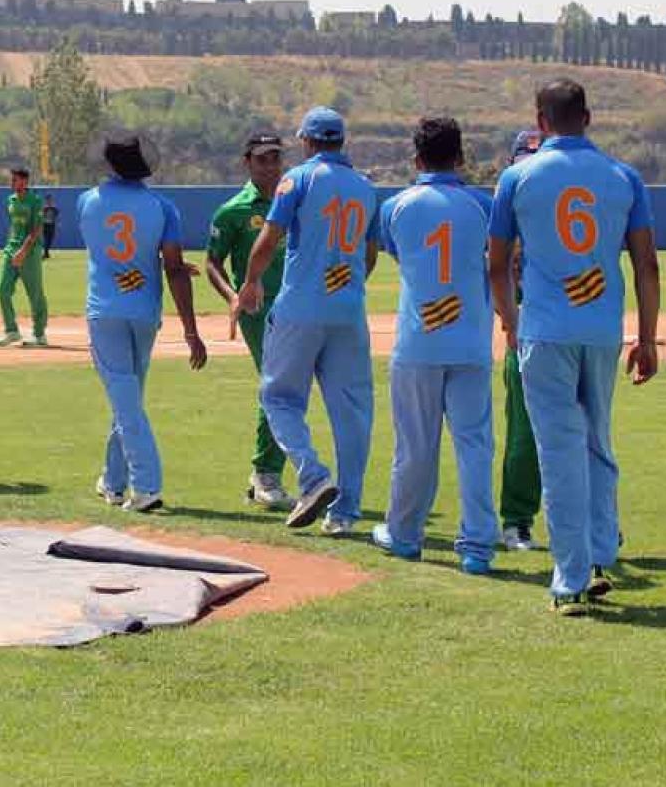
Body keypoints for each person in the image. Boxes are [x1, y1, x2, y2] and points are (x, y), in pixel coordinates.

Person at [488, 79, 660, 616]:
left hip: (545, 329)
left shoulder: (517, 177)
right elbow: (647, 265)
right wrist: (648, 337)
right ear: (588, 116)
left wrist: (510, 320)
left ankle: (571, 577)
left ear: (540, 122)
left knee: (558, 450)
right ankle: (602, 554)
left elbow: (496, 264)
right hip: (602, 330)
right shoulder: (623, 176)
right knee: (598, 444)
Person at [237, 106, 381, 534]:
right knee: (353, 412)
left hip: (300, 306)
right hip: (348, 309)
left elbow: (267, 241)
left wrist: (249, 283)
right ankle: (345, 513)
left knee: (278, 397)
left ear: (307, 140)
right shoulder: (365, 187)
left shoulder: (297, 179)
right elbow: (369, 254)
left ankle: (313, 475)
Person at [371, 118, 500, 574]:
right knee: (475, 446)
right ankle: (478, 546)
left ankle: (404, 535)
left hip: (417, 343)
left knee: (414, 446)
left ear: (416, 158)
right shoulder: (485, 206)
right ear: (462, 157)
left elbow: (398, 253)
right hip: (470, 342)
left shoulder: (396, 206)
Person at [81, 133, 208, 512]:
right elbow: (173, 268)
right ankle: (113, 481)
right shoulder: (162, 206)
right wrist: (190, 329)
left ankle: (146, 485)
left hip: (104, 309)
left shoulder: (87, 201)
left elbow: (104, 250)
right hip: (143, 311)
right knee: (128, 399)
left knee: (125, 401)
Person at [205, 131, 292, 508]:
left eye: (275, 157)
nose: (270, 165)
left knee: (288, 388)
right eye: (262, 159)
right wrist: (232, 296)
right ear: (248, 162)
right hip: (259, 311)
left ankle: (268, 474)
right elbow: (212, 261)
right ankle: (265, 474)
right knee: (277, 386)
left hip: (298, 307)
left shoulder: (296, 202)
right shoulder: (234, 210)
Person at [500, 129, 545, 551]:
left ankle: (593, 517)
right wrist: (509, 318)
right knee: (524, 432)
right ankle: (516, 519)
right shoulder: (506, 206)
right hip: (527, 330)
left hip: (567, 329)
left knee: (588, 431)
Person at [0, 166, 49, 347]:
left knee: (34, 293)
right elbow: (13, 226)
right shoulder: (10, 199)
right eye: (11, 179)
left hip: (30, 252)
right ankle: (12, 331)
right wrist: (11, 247)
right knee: (2, 289)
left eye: (14, 179)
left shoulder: (35, 200)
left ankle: (39, 334)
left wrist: (23, 251)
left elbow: (36, 229)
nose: (11, 183)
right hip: (11, 249)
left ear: (24, 181)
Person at [41, 193, 59, 259]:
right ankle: (45, 253)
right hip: (45, 225)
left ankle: (46, 253)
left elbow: (56, 217)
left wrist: (56, 225)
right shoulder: (44, 208)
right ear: (46, 200)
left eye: (51, 199)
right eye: (48, 199)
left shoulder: (54, 208)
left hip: (52, 226)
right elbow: (41, 217)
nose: (50, 201)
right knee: (46, 240)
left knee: (50, 240)